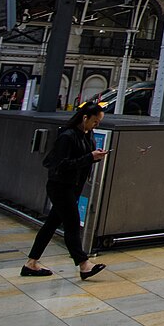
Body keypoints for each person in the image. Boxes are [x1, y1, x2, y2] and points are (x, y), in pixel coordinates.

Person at [22, 102, 108, 280]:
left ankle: (30, 263)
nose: (96, 125)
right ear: (85, 118)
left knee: (51, 224)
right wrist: (89, 157)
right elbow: (60, 165)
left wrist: (94, 156)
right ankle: (84, 264)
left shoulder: (86, 135)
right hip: (60, 186)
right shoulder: (67, 137)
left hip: (73, 186)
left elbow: (82, 159)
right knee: (72, 223)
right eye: (95, 121)